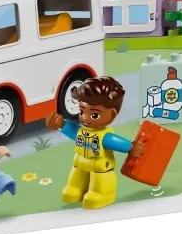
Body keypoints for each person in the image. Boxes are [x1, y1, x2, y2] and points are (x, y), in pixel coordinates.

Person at [46, 75, 132, 210]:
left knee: (100, 178)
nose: (85, 118)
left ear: (112, 114)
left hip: (99, 168)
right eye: (82, 111)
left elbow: (118, 143)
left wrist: (131, 147)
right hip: (80, 164)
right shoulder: (81, 131)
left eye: (94, 115)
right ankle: (75, 188)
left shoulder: (105, 136)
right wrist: (61, 124)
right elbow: (71, 130)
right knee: (76, 175)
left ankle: (102, 193)